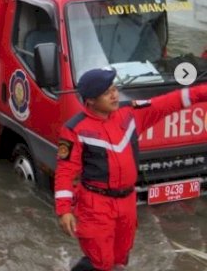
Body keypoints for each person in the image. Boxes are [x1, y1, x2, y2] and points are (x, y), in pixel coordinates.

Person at [54, 67, 207, 271]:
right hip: (96, 205)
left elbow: (173, 101)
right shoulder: (75, 129)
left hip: (126, 203)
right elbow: (65, 171)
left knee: (120, 259)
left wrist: (202, 92)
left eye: (115, 89)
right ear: (90, 100)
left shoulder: (130, 114)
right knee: (102, 261)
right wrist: (64, 210)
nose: (115, 95)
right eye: (107, 92)